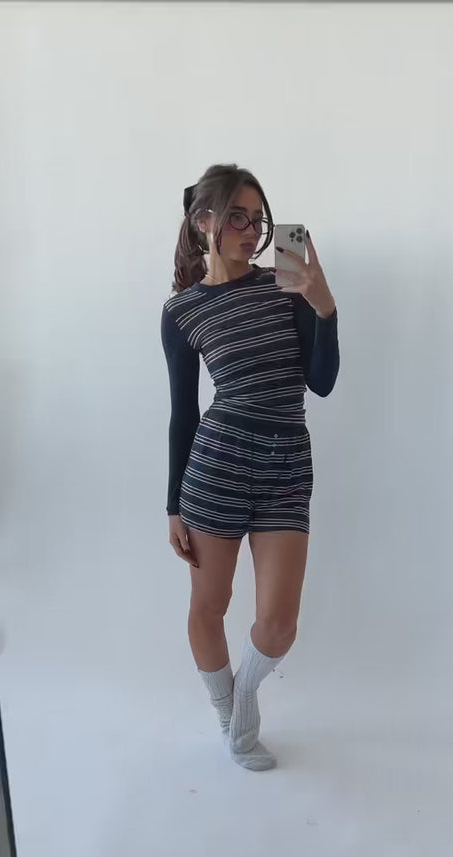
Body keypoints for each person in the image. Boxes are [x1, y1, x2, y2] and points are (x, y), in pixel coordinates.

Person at [161, 163, 340, 771]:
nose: (252, 231)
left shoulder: (285, 283)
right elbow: (183, 413)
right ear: (203, 221)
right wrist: (173, 504)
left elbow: (321, 383)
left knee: (279, 622)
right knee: (208, 605)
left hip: (287, 464)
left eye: (259, 220)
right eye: (236, 217)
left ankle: (244, 698)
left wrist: (324, 309)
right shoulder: (181, 312)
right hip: (216, 466)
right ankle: (226, 712)